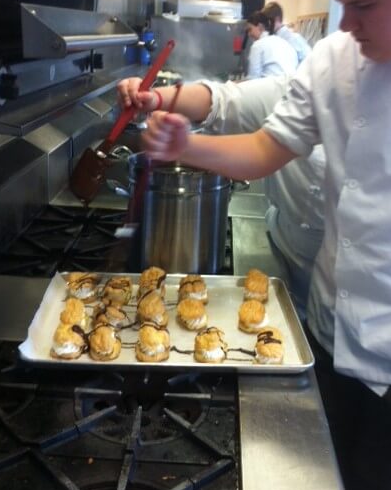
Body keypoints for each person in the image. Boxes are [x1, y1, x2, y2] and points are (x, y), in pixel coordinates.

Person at [141, 0, 391, 490]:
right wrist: (187, 145)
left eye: (363, 7)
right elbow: (265, 149)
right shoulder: (336, 59)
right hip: (330, 323)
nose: (345, 26)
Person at [117, 74, 326, 316]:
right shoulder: (311, 81)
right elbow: (222, 101)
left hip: (353, 298)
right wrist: (153, 98)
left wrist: (185, 147)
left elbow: (263, 153)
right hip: (286, 258)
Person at [245, 10, 297, 78]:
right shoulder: (284, 42)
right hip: (290, 86)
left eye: (250, 30)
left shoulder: (257, 45)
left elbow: (253, 77)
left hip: (270, 86)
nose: (249, 34)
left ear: (260, 26)